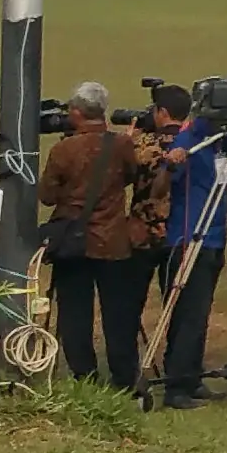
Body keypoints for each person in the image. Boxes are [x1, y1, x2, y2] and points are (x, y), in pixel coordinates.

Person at [35, 79, 163, 395]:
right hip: (113, 241)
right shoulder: (120, 145)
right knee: (119, 313)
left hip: (73, 244)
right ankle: (124, 376)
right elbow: (133, 176)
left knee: (75, 313)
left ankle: (84, 375)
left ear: (77, 113)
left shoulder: (63, 149)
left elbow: (47, 196)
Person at [147, 86, 227, 405]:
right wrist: (170, 165)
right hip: (188, 239)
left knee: (200, 314)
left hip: (214, 238)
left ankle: (191, 376)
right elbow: (158, 191)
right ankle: (177, 387)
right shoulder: (189, 140)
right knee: (187, 316)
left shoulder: (222, 139)